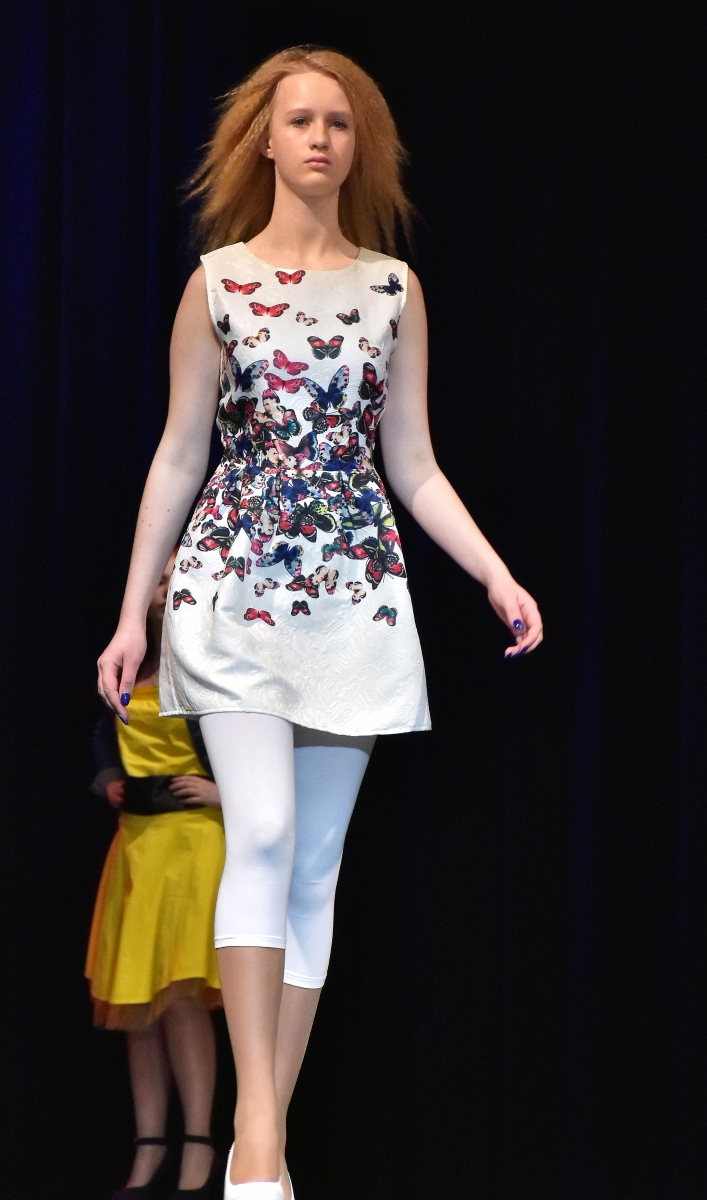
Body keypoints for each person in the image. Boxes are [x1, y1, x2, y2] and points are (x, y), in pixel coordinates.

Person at [97, 45, 543, 1200]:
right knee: (260, 832)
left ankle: (262, 1129)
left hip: (352, 597)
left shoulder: (392, 289)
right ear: (263, 138)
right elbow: (178, 453)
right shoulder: (217, 283)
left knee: (313, 865)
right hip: (231, 590)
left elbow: (414, 464)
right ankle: (256, 1146)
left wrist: (494, 575)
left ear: (359, 146)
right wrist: (130, 613)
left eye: (338, 123)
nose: (319, 139)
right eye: (299, 119)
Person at [88, 554, 225, 1198]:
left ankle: (198, 1144)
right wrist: (108, 781)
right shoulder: (127, 662)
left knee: (180, 996)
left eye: (179, 578)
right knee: (136, 1005)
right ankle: (149, 1147)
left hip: (194, 842)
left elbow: (262, 749)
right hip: (138, 845)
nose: (167, 589)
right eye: (161, 579)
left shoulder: (213, 664)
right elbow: (104, 737)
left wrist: (225, 790)